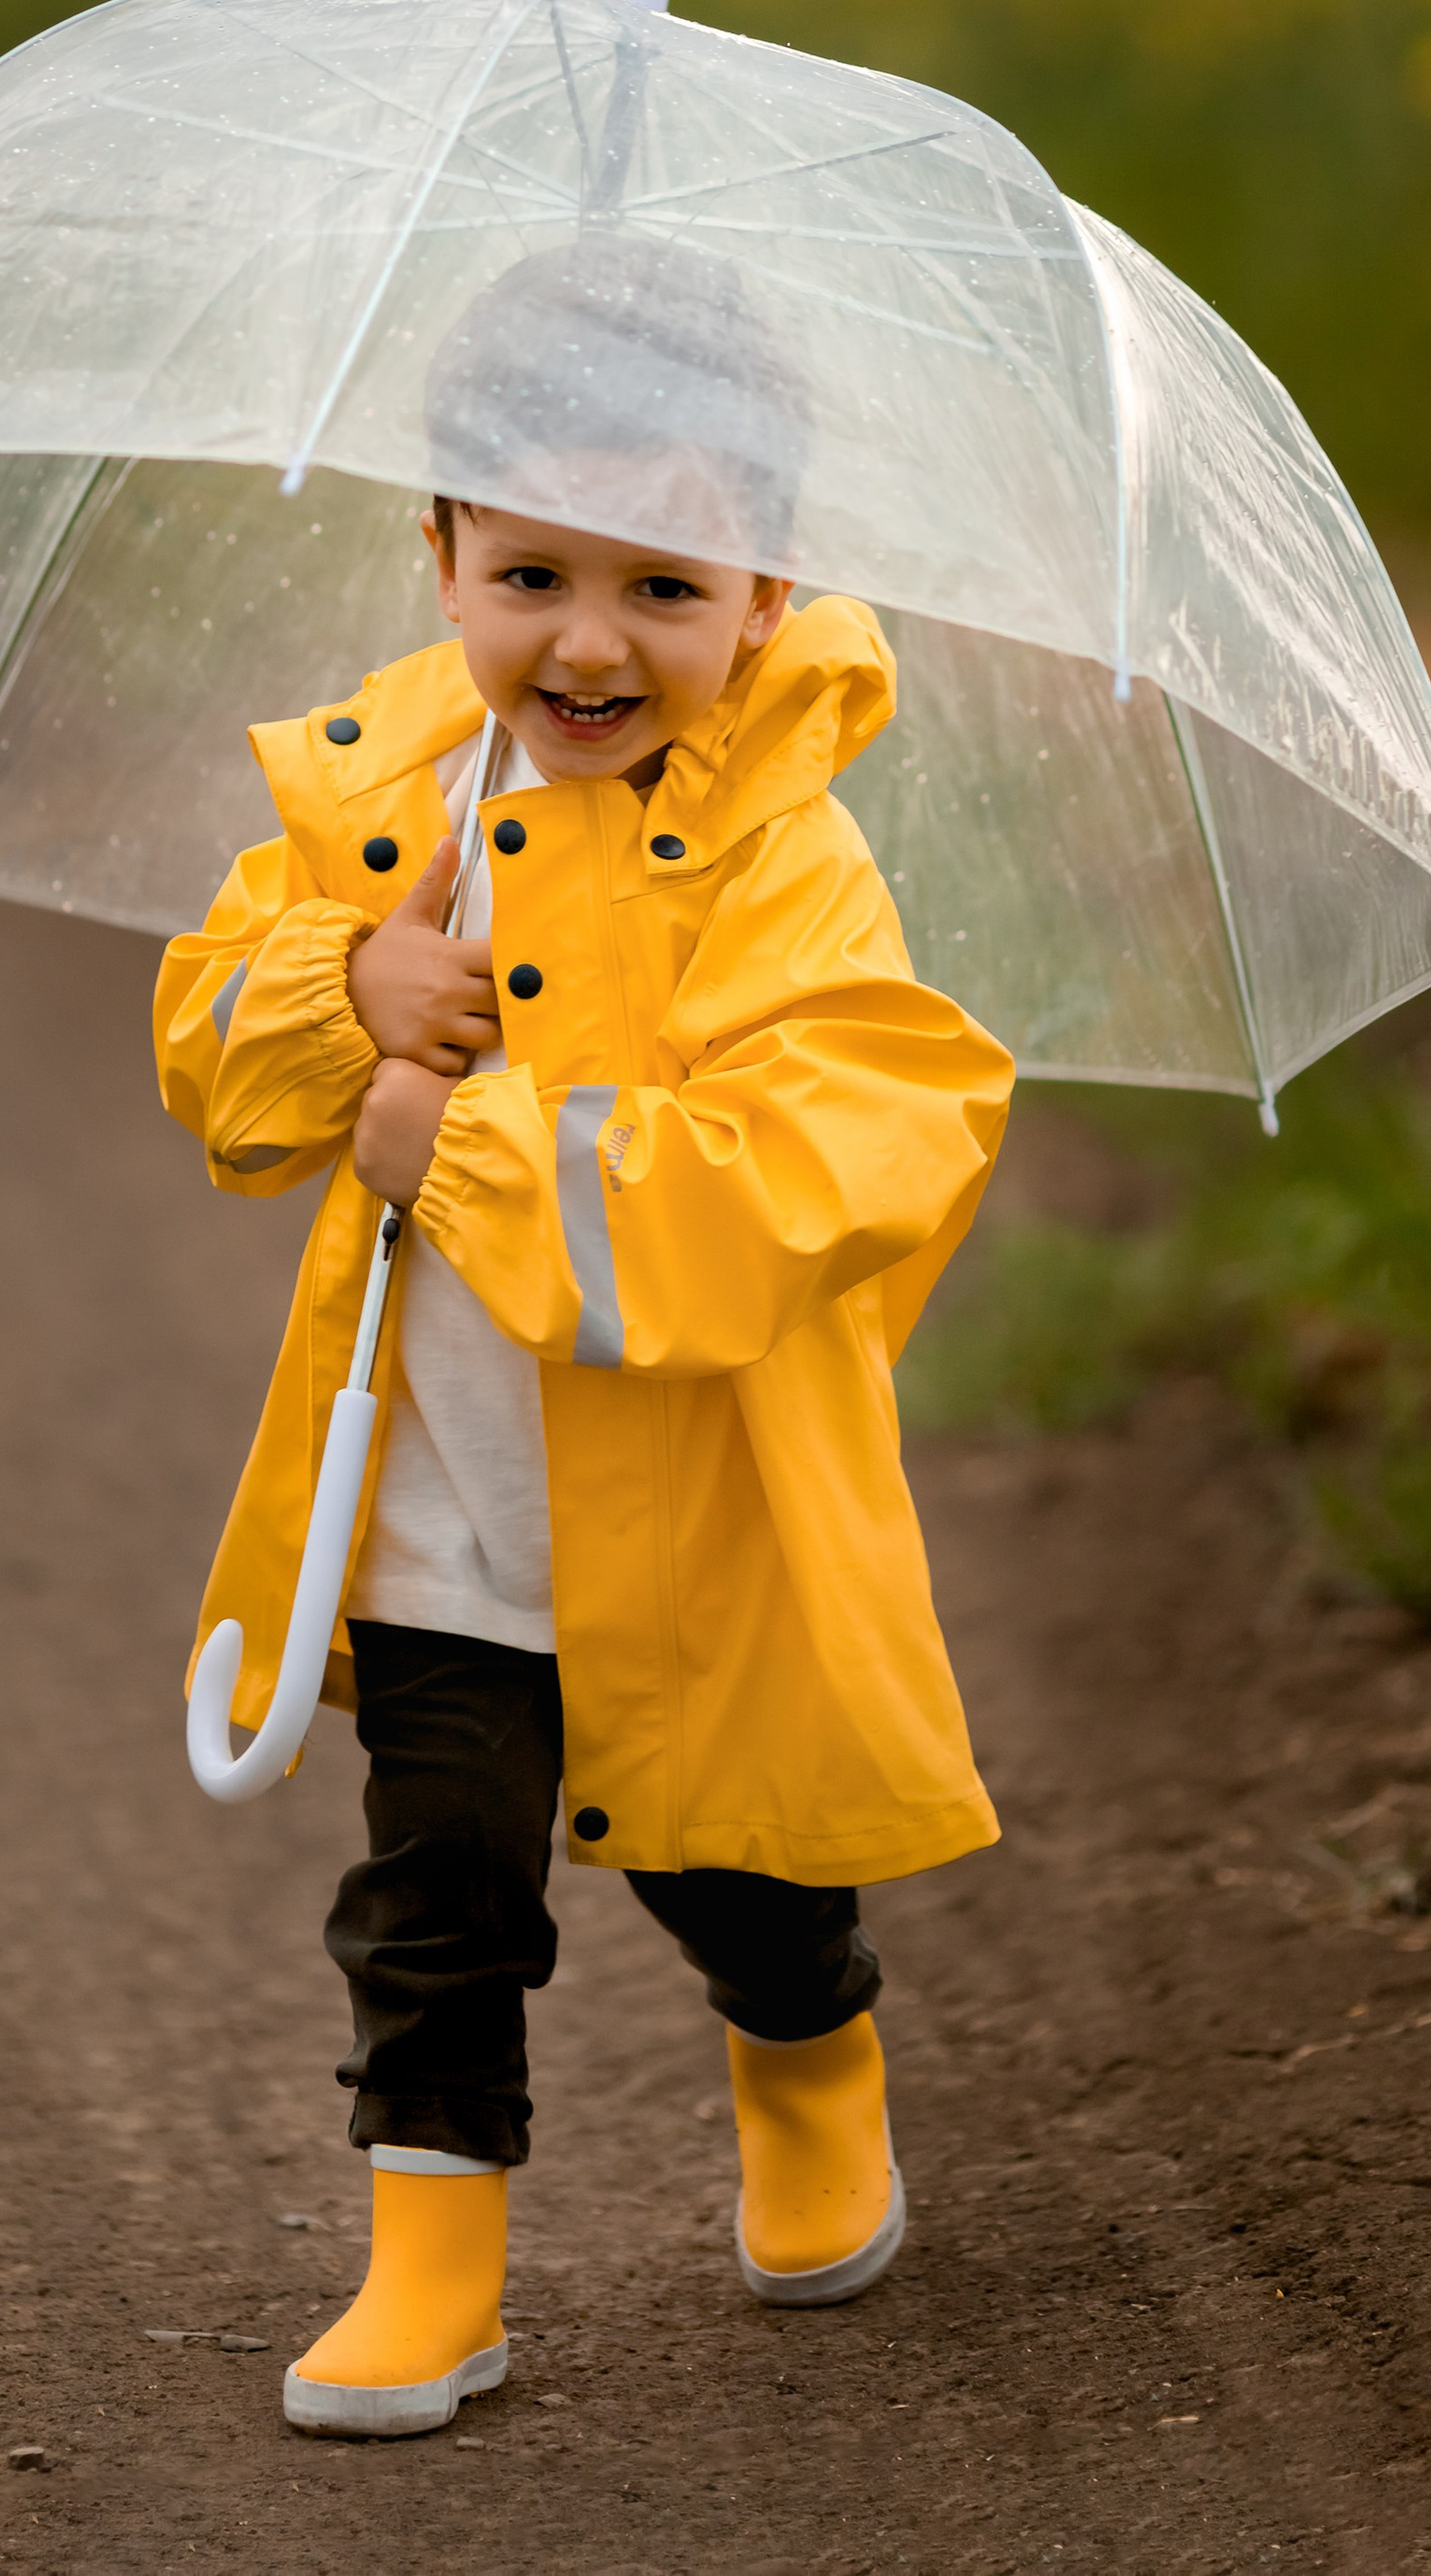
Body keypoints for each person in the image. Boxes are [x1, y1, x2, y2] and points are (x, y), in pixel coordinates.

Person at [154, 235, 1014, 2439]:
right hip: (443, 1503)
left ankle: (805, 2052)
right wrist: (339, 997)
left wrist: (453, 1130)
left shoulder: (783, 868)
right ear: (439, 555)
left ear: (762, 594)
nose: (590, 639)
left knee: (743, 1878)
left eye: (662, 584)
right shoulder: (385, 815)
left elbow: (809, 1158)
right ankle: (430, 2268)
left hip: (689, 1514)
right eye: (531, 570)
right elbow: (217, 1058)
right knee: (436, 1882)